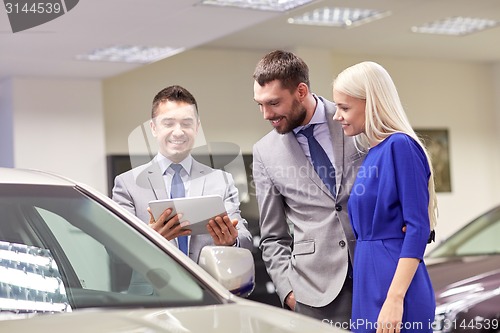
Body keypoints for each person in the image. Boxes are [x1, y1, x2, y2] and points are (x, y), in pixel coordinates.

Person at [251, 50, 365, 324]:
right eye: (260, 104)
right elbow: (272, 236)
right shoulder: (264, 152)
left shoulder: (353, 117)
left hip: (375, 273)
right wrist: (288, 291)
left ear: (301, 91)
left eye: (274, 103)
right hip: (314, 294)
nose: (266, 114)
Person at [332, 61, 437, 333]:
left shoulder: (400, 146)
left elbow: (418, 226)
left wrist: (394, 299)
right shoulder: (373, 153)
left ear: (372, 103)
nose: (337, 116)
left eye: (344, 108)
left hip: (395, 287)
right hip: (369, 281)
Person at [112, 85, 253, 264]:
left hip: (209, 288)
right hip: (154, 290)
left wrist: (232, 242)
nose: (178, 132)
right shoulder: (127, 184)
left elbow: (246, 241)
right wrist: (148, 240)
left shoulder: (221, 181)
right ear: (154, 128)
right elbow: (116, 249)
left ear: (197, 128)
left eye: (186, 123)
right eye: (168, 123)